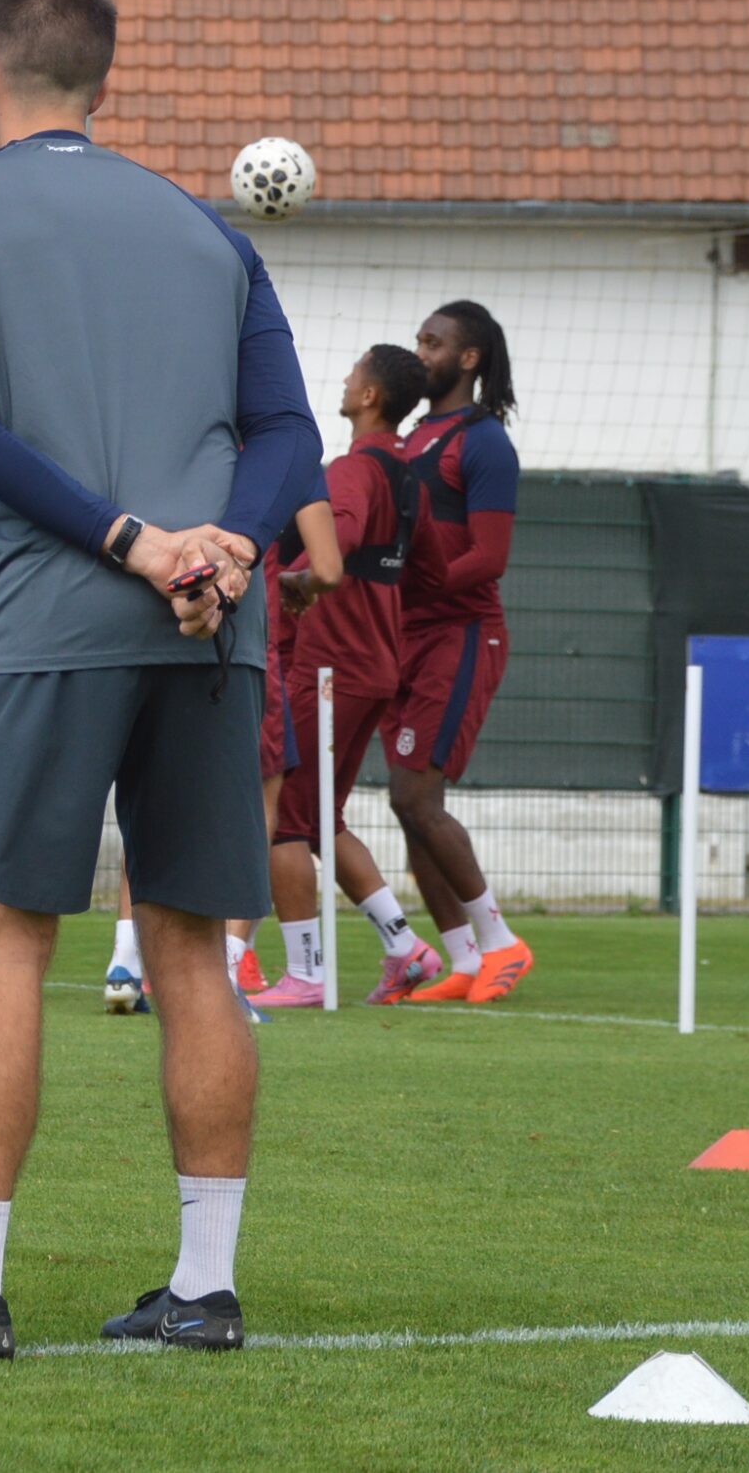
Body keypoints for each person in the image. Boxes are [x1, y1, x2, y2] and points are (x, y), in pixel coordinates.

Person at [0, 0, 318, 1359]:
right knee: (193, 946)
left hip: (54, 620)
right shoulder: (206, 230)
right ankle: (204, 1290)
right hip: (212, 626)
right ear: (103, 81)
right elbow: (288, 435)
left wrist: (130, 541)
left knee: (4, 936)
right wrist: (224, 549)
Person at [252, 344, 444, 1008]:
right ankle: (405, 945)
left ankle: (305, 972)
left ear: (370, 396)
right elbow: (426, 567)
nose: (343, 378)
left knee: (285, 819)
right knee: (320, 816)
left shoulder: (353, 469)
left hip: (329, 665)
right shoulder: (409, 473)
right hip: (376, 661)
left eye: (354, 371)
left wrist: (287, 581)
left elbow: (342, 542)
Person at [104, 494, 339, 1019]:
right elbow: (328, 567)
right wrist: (293, 581)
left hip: (152, 632)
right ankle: (226, 972)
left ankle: (124, 961)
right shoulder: (274, 462)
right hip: (236, 646)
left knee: (149, 795)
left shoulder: (162, 459)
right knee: (257, 803)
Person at [385, 303, 527, 1004]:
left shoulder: (484, 442)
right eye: (418, 340)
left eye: (433, 342)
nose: (421, 352)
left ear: (469, 359)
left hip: (462, 633)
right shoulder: (410, 436)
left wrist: (421, 583)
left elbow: (489, 557)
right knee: (406, 802)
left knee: (417, 795)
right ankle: (464, 959)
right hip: (406, 635)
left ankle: (502, 944)